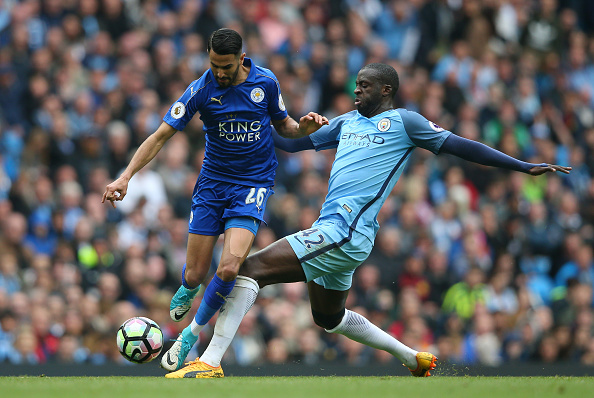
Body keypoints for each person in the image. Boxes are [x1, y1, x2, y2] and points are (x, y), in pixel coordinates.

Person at [162, 62, 571, 378]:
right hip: (340, 235)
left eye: (365, 85)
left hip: (345, 231)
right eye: (355, 85)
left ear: (386, 90)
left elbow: (461, 146)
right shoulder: (345, 122)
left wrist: (521, 166)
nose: (356, 90)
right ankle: (412, 358)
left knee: (249, 268)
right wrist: (259, 122)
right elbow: (289, 144)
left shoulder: (406, 122)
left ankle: (210, 360)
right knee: (328, 318)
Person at [101, 28, 328, 371]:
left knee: (229, 267)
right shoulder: (201, 88)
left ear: (241, 58)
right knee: (194, 274)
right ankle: (188, 289)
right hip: (212, 185)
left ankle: (189, 337)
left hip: (252, 185)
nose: (219, 72)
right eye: (213, 64)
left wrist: (304, 129)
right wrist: (126, 175)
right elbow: (161, 135)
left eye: (225, 66)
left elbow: (285, 127)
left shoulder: (265, 83)